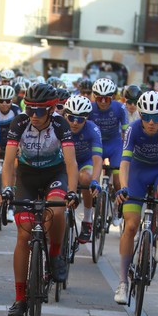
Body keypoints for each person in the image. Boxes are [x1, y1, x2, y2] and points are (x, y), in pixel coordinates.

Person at [0, 83, 79, 316]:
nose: (34, 115)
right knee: (24, 236)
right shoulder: (20, 123)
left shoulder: (60, 124)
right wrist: (6, 188)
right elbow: (8, 162)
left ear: (52, 109)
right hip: (27, 177)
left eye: (40, 111)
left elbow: (71, 164)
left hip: (54, 175)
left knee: (57, 209)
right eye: (29, 108)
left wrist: (72, 192)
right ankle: (20, 298)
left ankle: (55, 254)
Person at [113, 91, 158, 304]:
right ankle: (122, 282)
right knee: (131, 226)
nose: (151, 122)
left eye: (156, 117)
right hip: (137, 172)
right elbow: (125, 163)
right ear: (141, 115)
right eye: (146, 117)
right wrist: (124, 187)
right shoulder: (134, 130)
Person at [63, 95, 103, 243]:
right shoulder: (60, 125)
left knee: (86, 178)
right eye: (71, 117)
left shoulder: (93, 129)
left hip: (84, 161)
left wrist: (95, 181)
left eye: (80, 119)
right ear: (65, 114)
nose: (74, 122)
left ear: (86, 118)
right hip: (65, 161)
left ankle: (87, 219)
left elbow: (98, 158)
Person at [89, 77, 128, 194]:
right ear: (95, 97)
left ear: (112, 97)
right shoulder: (89, 108)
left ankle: (119, 209)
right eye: (100, 98)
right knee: (91, 180)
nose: (103, 102)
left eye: (107, 98)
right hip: (96, 145)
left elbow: (126, 131)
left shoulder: (120, 107)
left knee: (118, 181)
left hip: (115, 145)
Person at [0, 84, 22, 222]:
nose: (4, 104)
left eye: (7, 101)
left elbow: (21, 130)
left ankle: (10, 208)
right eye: (1, 101)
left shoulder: (16, 111)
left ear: (12, 100)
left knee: (14, 169)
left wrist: (19, 145)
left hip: (11, 144)